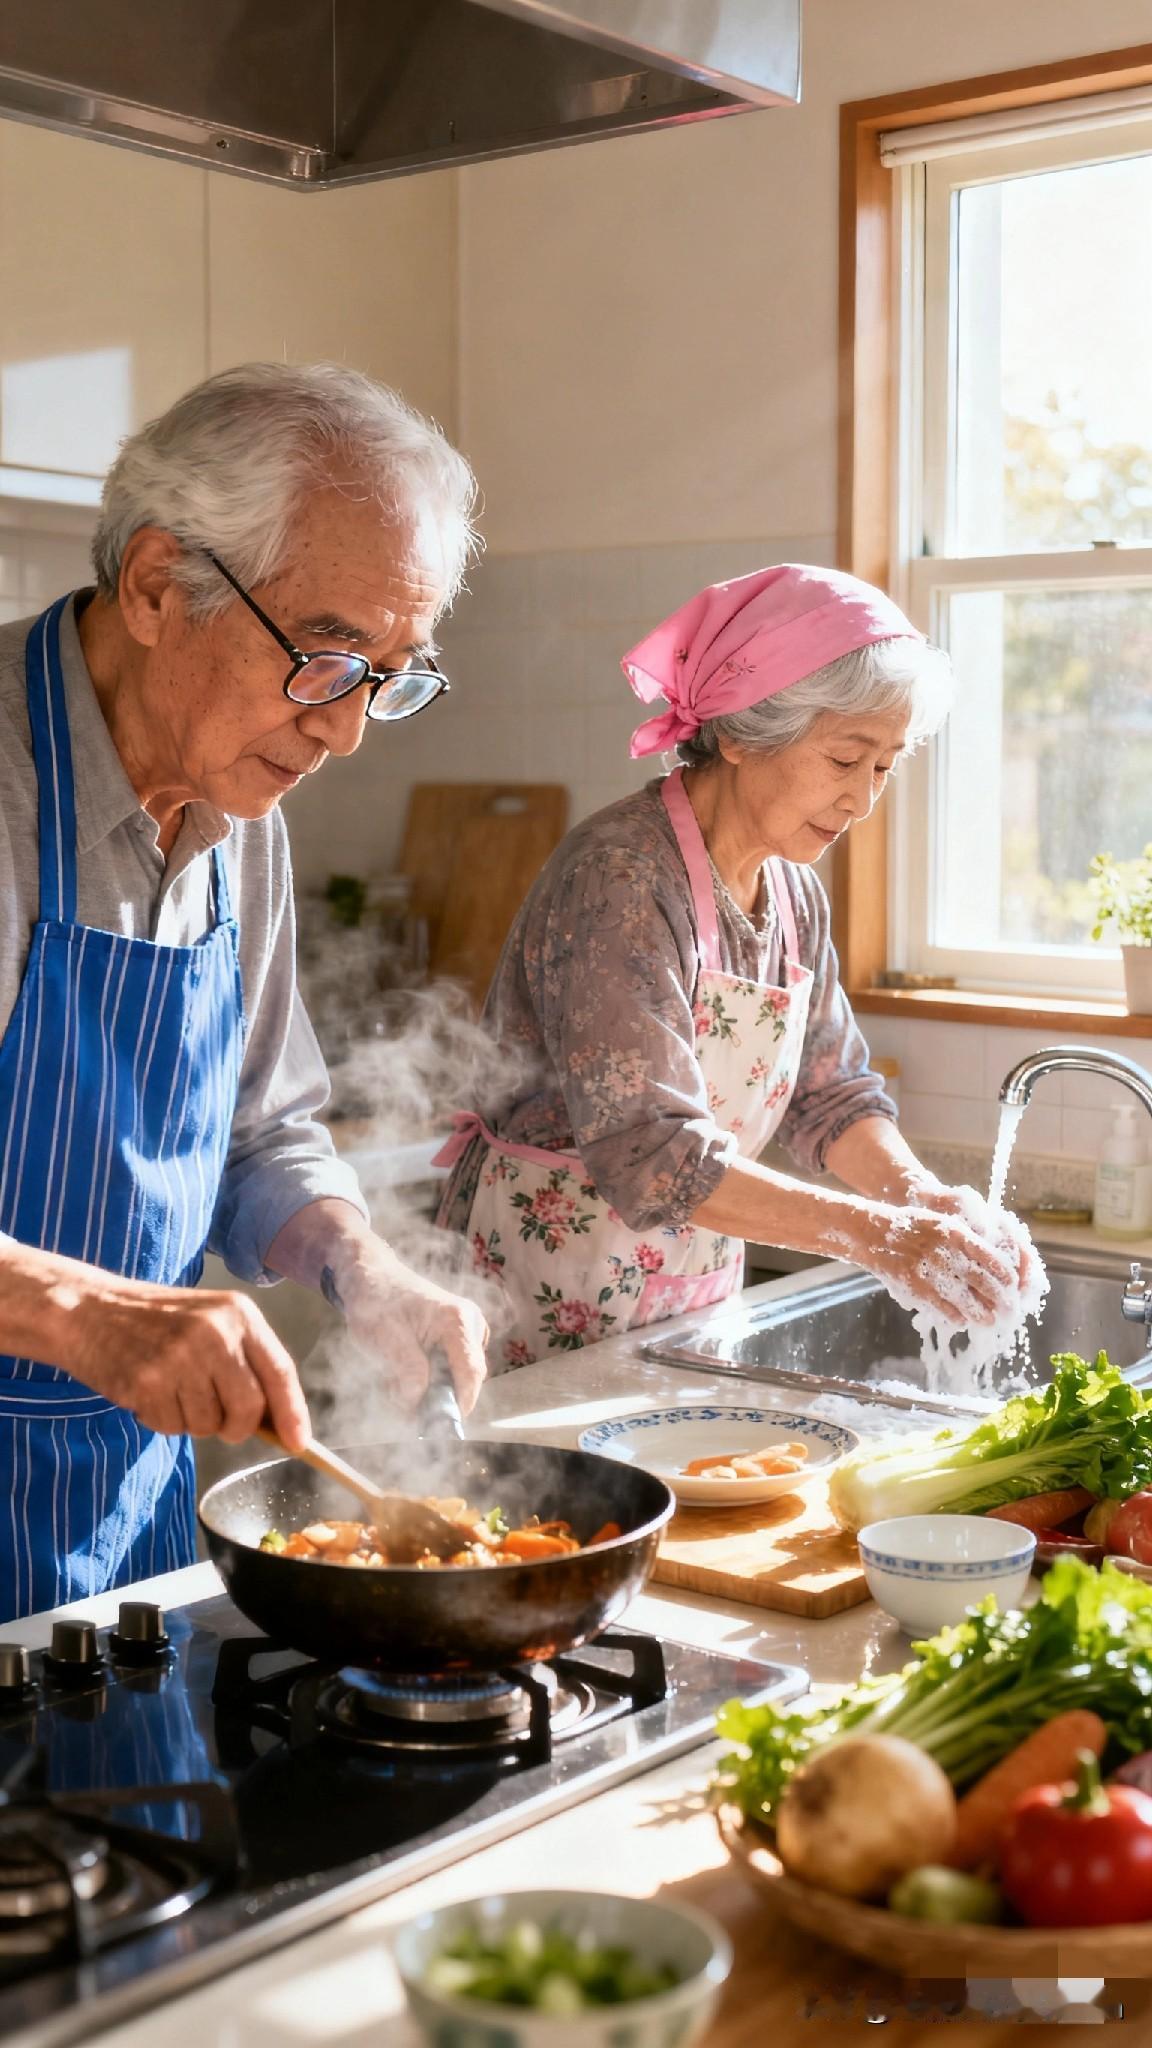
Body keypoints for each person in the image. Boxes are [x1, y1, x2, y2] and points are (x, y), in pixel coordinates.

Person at [0, 361, 487, 1618]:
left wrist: (356, 1261)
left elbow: (260, 1128)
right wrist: (88, 1311)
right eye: (328, 657)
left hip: (125, 1530)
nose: (350, 730)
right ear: (159, 585)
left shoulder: (237, 795)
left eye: (392, 672)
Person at [437, 564, 1025, 1369]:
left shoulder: (794, 895)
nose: (863, 802)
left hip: (686, 1302)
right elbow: (651, 1156)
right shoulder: (621, 878)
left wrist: (924, 1200)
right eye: (846, 759)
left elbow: (831, 1094)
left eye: (885, 767)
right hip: (537, 1307)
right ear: (745, 735)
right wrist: (882, 1236)